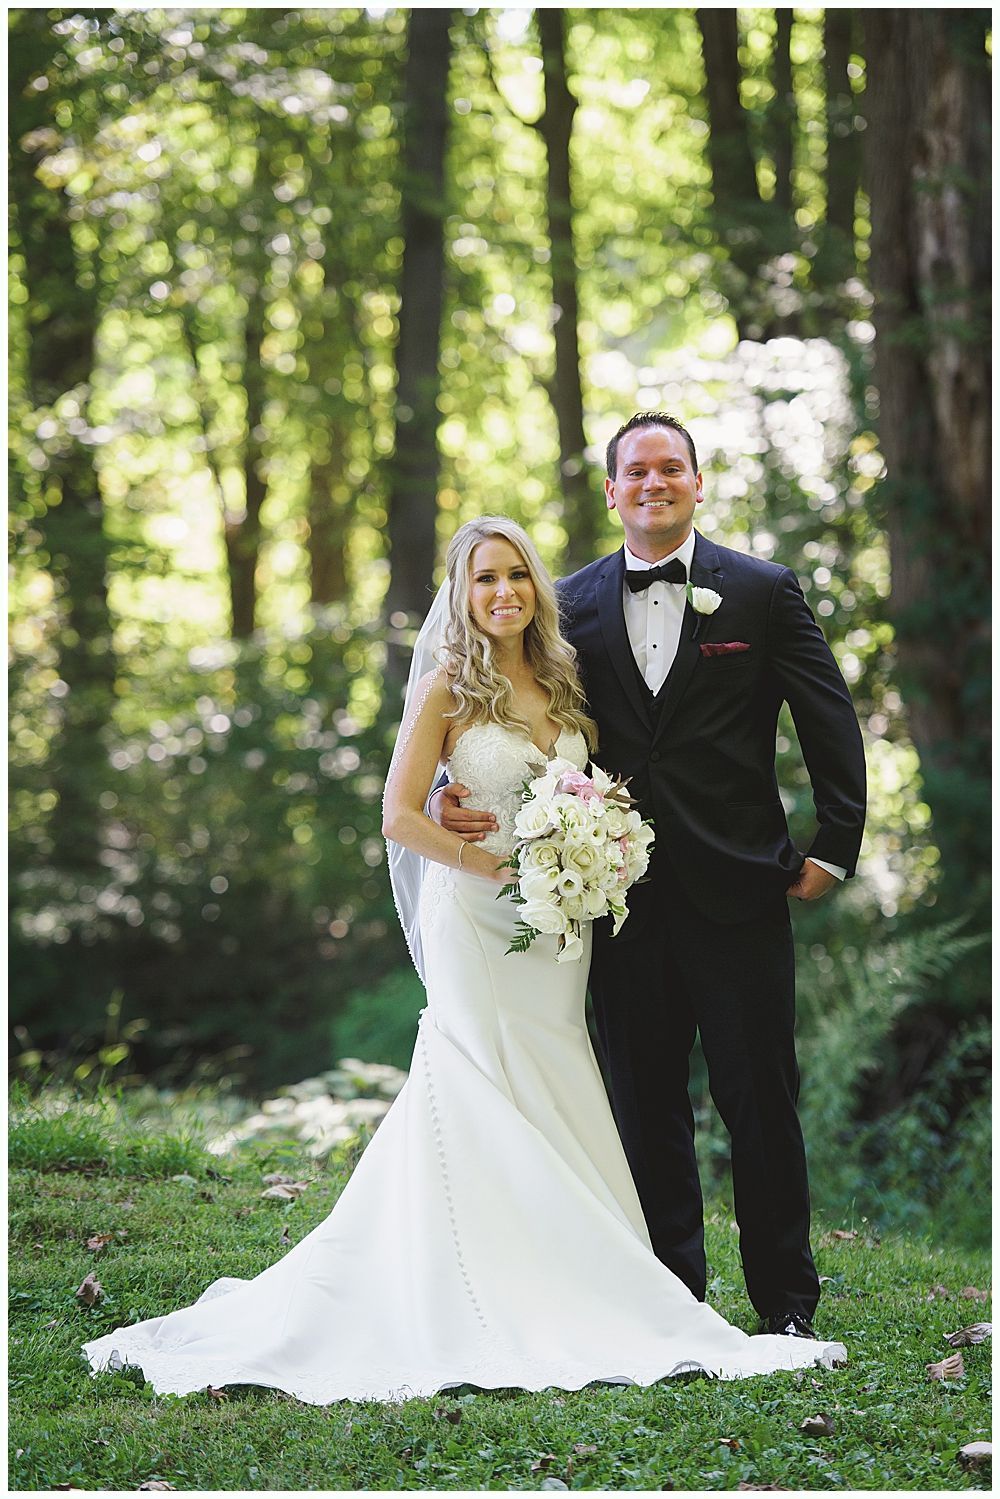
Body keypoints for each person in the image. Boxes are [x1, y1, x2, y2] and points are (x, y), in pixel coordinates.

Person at [81, 514, 846, 1404]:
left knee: (554, 1080)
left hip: (559, 928)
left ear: (539, 589)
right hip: (482, 920)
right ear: (460, 590)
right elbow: (399, 814)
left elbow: (599, 778)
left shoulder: (564, 679)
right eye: (484, 578)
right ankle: (465, 1281)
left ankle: (575, 1274)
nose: (504, 593)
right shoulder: (447, 683)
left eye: (517, 576)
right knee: (478, 1081)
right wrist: (492, 855)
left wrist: (578, 855)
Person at [436, 421, 867, 1341]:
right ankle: (673, 1294)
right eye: (637, 471)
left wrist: (835, 845)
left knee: (759, 1098)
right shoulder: (568, 604)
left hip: (744, 888)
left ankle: (786, 1301)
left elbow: (828, 716)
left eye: (671, 468)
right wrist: (450, 789)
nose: (654, 482)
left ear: (699, 483)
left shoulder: (761, 591)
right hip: (612, 900)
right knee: (643, 1100)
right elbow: (500, 701)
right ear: (612, 491)